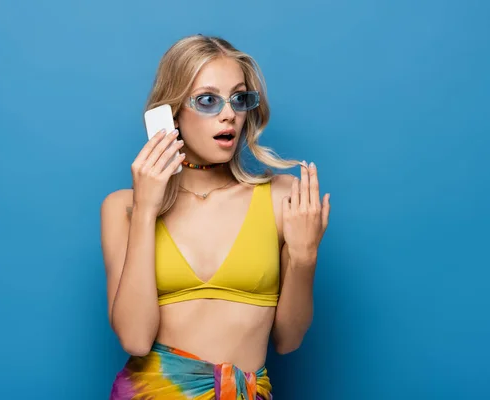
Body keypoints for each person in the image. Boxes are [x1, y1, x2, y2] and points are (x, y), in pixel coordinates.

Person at [100, 34, 331, 399]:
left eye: (239, 99)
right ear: (171, 111)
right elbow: (135, 338)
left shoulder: (281, 196)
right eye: (208, 100)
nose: (229, 114)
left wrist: (305, 258)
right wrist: (146, 210)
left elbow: (288, 341)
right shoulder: (122, 207)